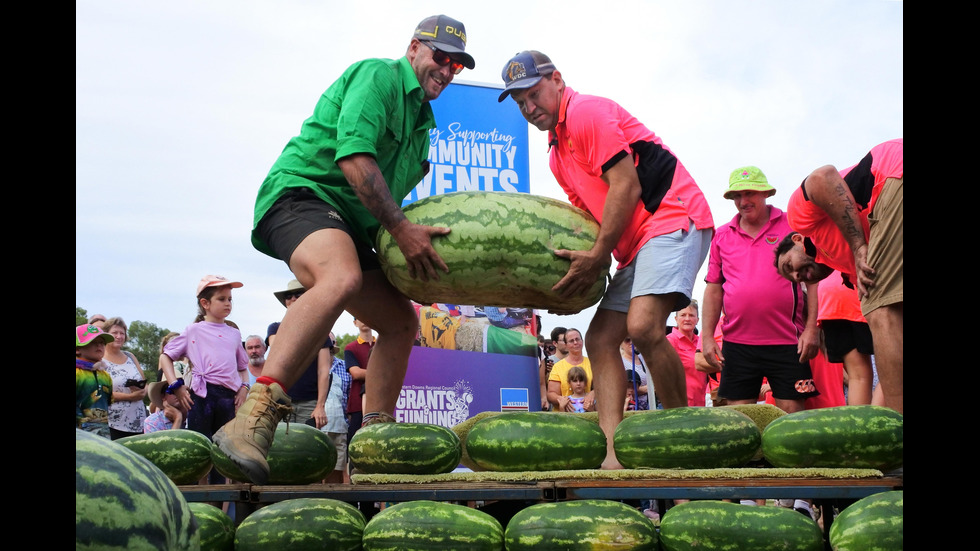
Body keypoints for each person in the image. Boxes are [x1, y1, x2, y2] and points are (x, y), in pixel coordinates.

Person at [214, 14, 476, 484]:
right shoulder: (378, 76)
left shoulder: (422, 128)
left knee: (400, 321)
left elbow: (385, 209)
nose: (448, 70)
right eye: (441, 57)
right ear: (415, 47)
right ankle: (251, 419)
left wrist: (416, 269)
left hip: (352, 224)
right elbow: (356, 161)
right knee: (341, 277)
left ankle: (375, 441)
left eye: (457, 65)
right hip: (303, 194)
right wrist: (402, 230)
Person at [499, 51, 714, 469]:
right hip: (636, 244)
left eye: (534, 94)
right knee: (598, 339)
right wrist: (561, 280)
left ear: (557, 80)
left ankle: (681, 433)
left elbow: (626, 187)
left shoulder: (586, 113)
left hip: (673, 217)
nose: (529, 107)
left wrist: (598, 256)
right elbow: (589, 221)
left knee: (642, 325)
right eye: (520, 102)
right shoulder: (556, 154)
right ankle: (612, 451)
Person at [774, 139, 902, 413]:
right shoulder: (848, 272)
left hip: (891, 174)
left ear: (797, 240)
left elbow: (823, 176)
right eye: (794, 279)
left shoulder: (800, 218)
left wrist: (858, 246)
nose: (797, 275)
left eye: (789, 266)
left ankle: (897, 428)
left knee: (882, 311)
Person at [701, 166, 819, 414]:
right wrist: (708, 336)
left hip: (789, 341)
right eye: (737, 196)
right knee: (741, 420)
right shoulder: (722, 235)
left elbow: (813, 279)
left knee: (793, 415)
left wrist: (811, 329)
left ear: (765, 193)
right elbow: (714, 289)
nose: (743, 201)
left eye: (750, 193)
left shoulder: (792, 224)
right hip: (737, 343)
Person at [160, 275, 251, 485]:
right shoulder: (194, 330)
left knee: (223, 451)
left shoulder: (234, 333)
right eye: (222, 299)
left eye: (230, 299)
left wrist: (244, 388)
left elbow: (243, 368)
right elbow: (166, 356)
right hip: (202, 395)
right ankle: (198, 501)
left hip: (228, 397)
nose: (228, 303)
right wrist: (177, 385)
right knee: (199, 449)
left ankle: (219, 504)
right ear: (205, 303)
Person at [267, 280, 330, 428]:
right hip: (281, 400)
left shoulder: (321, 330)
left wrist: (320, 406)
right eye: (288, 296)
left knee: (307, 448)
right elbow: (278, 352)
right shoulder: (275, 328)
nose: (293, 298)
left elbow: (324, 372)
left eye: (298, 294)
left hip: (310, 403)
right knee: (279, 447)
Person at [817, 270, 875, 405]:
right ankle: (874, 423)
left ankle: (860, 425)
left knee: (859, 377)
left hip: (830, 294)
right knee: (894, 372)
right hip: (860, 292)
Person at [101, 317, 149, 440]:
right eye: (115, 333)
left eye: (122, 333)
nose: (119, 336)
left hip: (138, 423)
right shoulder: (100, 360)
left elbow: (144, 383)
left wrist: (143, 391)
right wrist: (130, 397)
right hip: (113, 425)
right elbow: (99, 392)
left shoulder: (130, 356)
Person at [321, 332, 351, 483]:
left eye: (330, 345)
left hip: (340, 426)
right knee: (316, 469)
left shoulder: (345, 368)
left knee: (338, 470)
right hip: (317, 426)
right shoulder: (310, 368)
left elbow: (349, 398)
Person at [665, 301, 707, 407]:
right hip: (680, 403)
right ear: (676, 319)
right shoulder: (670, 341)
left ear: (697, 320)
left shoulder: (702, 342)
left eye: (691, 315)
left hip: (702, 401)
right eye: (683, 315)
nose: (687, 319)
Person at [76, 323, 115, 437]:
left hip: (103, 434)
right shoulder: (77, 374)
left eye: (102, 343)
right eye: (93, 342)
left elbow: (108, 403)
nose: (100, 346)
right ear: (77, 349)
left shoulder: (105, 376)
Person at [344, 318, 374, 449]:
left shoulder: (383, 345)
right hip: (357, 404)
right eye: (359, 317)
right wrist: (383, 375)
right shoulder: (350, 348)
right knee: (355, 444)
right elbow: (355, 373)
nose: (364, 319)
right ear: (355, 323)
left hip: (383, 400)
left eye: (366, 316)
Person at [547, 329, 594, 412]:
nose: (575, 343)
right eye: (571, 341)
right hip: (564, 417)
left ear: (582, 341)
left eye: (577, 339)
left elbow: (603, 386)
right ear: (566, 345)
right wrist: (562, 400)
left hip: (588, 414)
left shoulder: (593, 364)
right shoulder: (558, 366)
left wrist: (593, 393)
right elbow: (551, 394)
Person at [619, 337, 650, 410]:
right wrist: (648, 389)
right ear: (621, 344)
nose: (631, 342)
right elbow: (623, 389)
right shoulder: (620, 364)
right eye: (627, 340)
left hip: (652, 404)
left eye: (634, 338)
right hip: (635, 407)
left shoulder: (644, 357)